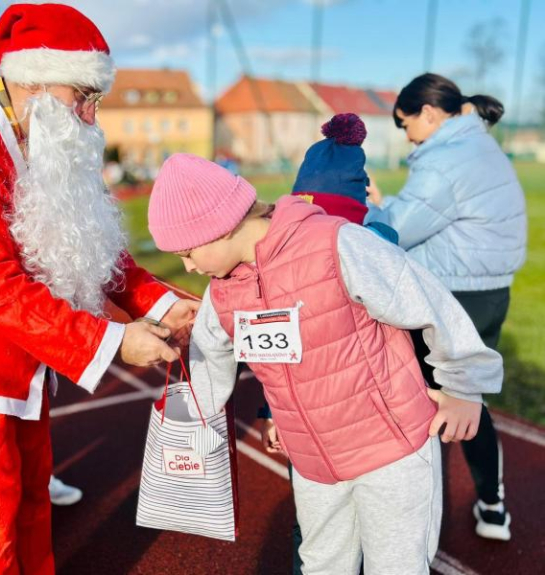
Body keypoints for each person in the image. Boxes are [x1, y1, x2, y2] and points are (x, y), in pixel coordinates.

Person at [0, 4, 198, 574]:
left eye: (95, 99)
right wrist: (112, 342)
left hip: (24, 354)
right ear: (31, 78)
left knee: (31, 509)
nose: (89, 115)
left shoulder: (38, 134)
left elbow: (95, 248)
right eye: (81, 94)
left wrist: (167, 304)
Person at [147, 153, 502, 574]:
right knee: (321, 566)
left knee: (397, 567)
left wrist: (463, 388)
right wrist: (193, 426)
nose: (186, 266)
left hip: (390, 451)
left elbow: (430, 303)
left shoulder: (335, 243)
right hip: (313, 462)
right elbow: (213, 354)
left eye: (188, 253)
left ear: (218, 227)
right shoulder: (222, 290)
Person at [366, 73, 527, 541]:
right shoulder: (476, 146)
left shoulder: (445, 160)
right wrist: (387, 203)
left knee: (426, 400)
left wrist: (366, 205)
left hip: (453, 296)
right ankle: (492, 507)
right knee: (468, 398)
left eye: (405, 124)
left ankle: (417, 522)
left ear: (429, 114)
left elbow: (396, 230)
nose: (406, 135)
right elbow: (441, 217)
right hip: (489, 291)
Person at [255, 113, 398, 575]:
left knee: (334, 536)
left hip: (358, 425)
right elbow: (271, 342)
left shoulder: (374, 248)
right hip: (337, 425)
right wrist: (275, 410)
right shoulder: (378, 241)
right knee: (329, 534)